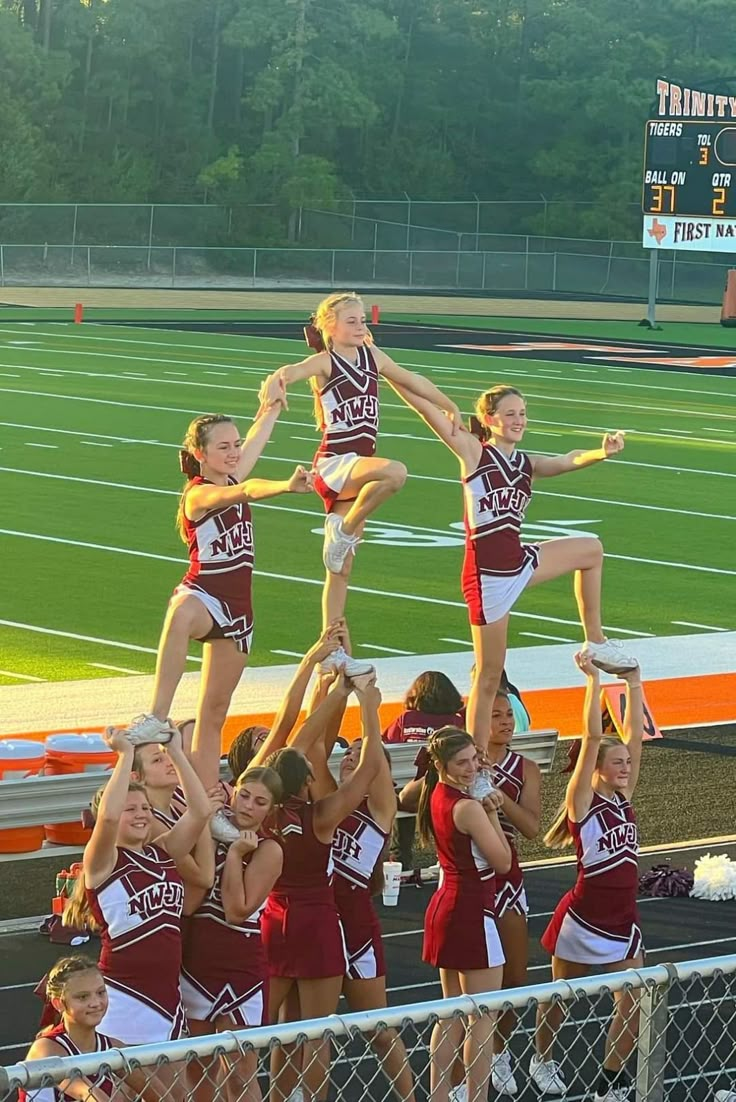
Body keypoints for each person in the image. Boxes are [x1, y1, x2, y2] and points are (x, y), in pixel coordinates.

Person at [389, 381, 638, 752]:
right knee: (489, 677)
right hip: (487, 577)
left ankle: (596, 642)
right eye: (510, 414)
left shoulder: (525, 464)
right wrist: (389, 376)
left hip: (519, 562)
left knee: (591, 550)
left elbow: (566, 459)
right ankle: (472, 758)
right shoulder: (474, 453)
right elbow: (427, 411)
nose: (519, 420)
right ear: (489, 419)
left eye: (522, 413)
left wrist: (599, 453)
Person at [122, 399, 312, 794]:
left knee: (213, 714)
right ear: (200, 454)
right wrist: (285, 486)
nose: (234, 451)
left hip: (238, 610)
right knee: (179, 613)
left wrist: (272, 406)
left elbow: (254, 447)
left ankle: (206, 801)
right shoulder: (199, 495)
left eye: (235, 444)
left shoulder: (232, 476)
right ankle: (158, 715)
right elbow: (248, 490)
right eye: (223, 446)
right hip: (204, 593)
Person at [259, 291, 461, 632]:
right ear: (330, 326)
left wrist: (450, 404)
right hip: (335, 463)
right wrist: (274, 385)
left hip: (359, 466)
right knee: (395, 473)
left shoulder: (372, 357)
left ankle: (332, 647)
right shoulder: (326, 362)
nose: (360, 326)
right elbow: (290, 371)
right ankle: (346, 530)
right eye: (351, 321)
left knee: (341, 572)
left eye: (362, 320)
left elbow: (412, 379)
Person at [251, 670, 385, 1102]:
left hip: (272, 922)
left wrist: (329, 692)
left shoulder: (258, 810)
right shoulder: (321, 817)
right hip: (317, 927)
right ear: (307, 781)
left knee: (271, 1032)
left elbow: (299, 741)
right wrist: (367, 705)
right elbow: (366, 772)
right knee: (316, 1035)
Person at [532, 654, 644, 1102]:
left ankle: (610, 1084)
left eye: (626, 763)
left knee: (634, 1003)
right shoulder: (583, 802)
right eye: (615, 762)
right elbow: (595, 735)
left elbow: (634, 735)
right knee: (560, 997)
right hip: (585, 919)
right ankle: (542, 1058)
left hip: (623, 920)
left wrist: (634, 683)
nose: (625, 767)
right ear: (595, 768)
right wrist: (593, 681)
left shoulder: (624, 797)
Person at [63, 726, 211, 1047]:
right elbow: (108, 819)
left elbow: (200, 812)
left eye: (145, 808)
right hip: (124, 995)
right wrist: (125, 755)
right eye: (131, 809)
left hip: (169, 994)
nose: (141, 815)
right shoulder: (103, 862)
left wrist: (176, 752)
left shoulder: (164, 852)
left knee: (175, 1096)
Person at [417, 727, 512, 1102]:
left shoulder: (436, 793)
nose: (472, 767)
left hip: (446, 906)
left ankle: (439, 1095)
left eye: (475, 758)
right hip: (472, 911)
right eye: (463, 762)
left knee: (451, 1013)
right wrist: (491, 812)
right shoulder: (470, 807)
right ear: (442, 764)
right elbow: (503, 861)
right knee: (482, 1019)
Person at [181, 766, 284, 1102]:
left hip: (241, 968)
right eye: (244, 795)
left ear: (271, 810)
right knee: (197, 1070)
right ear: (233, 792)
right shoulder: (208, 828)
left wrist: (237, 854)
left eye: (260, 802)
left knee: (240, 1073)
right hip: (196, 961)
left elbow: (237, 911)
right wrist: (202, 821)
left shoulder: (268, 849)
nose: (249, 806)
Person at [483, 691, 541, 1096]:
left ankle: (499, 1051)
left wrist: (500, 799)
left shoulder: (526, 767)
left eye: (509, 715)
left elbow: (533, 827)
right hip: (468, 877)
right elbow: (412, 798)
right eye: (496, 714)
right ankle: (470, 1059)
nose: (505, 721)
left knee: (515, 977)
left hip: (506, 881)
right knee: (470, 984)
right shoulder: (461, 763)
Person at [22, 956, 164, 1102]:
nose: (96, 1003)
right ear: (58, 1004)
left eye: (101, 992)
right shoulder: (46, 1048)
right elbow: (87, 1093)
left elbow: (159, 1094)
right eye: (83, 997)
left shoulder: (113, 1047)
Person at [383, 670, 464, 872]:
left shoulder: (406, 719)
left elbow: (385, 745)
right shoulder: (456, 722)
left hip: (408, 795)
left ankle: (399, 861)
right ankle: (448, 860)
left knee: (403, 789)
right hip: (443, 792)